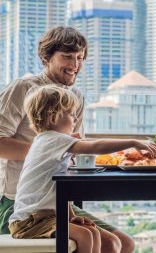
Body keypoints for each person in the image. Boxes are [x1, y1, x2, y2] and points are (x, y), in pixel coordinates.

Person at [0, 26, 133, 252]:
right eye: (67, 56)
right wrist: (47, 151)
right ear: (46, 57)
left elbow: (75, 150)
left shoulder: (75, 98)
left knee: (122, 243)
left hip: (57, 201)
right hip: (18, 203)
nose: (75, 64)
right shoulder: (24, 88)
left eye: (80, 58)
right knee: (102, 241)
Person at [8, 85, 156, 253]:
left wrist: (72, 217)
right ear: (53, 118)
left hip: (45, 217)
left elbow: (55, 189)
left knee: (92, 233)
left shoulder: (45, 141)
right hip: (30, 222)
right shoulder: (53, 139)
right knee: (85, 236)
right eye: (71, 113)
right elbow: (95, 146)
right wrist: (133, 142)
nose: (75, 119)